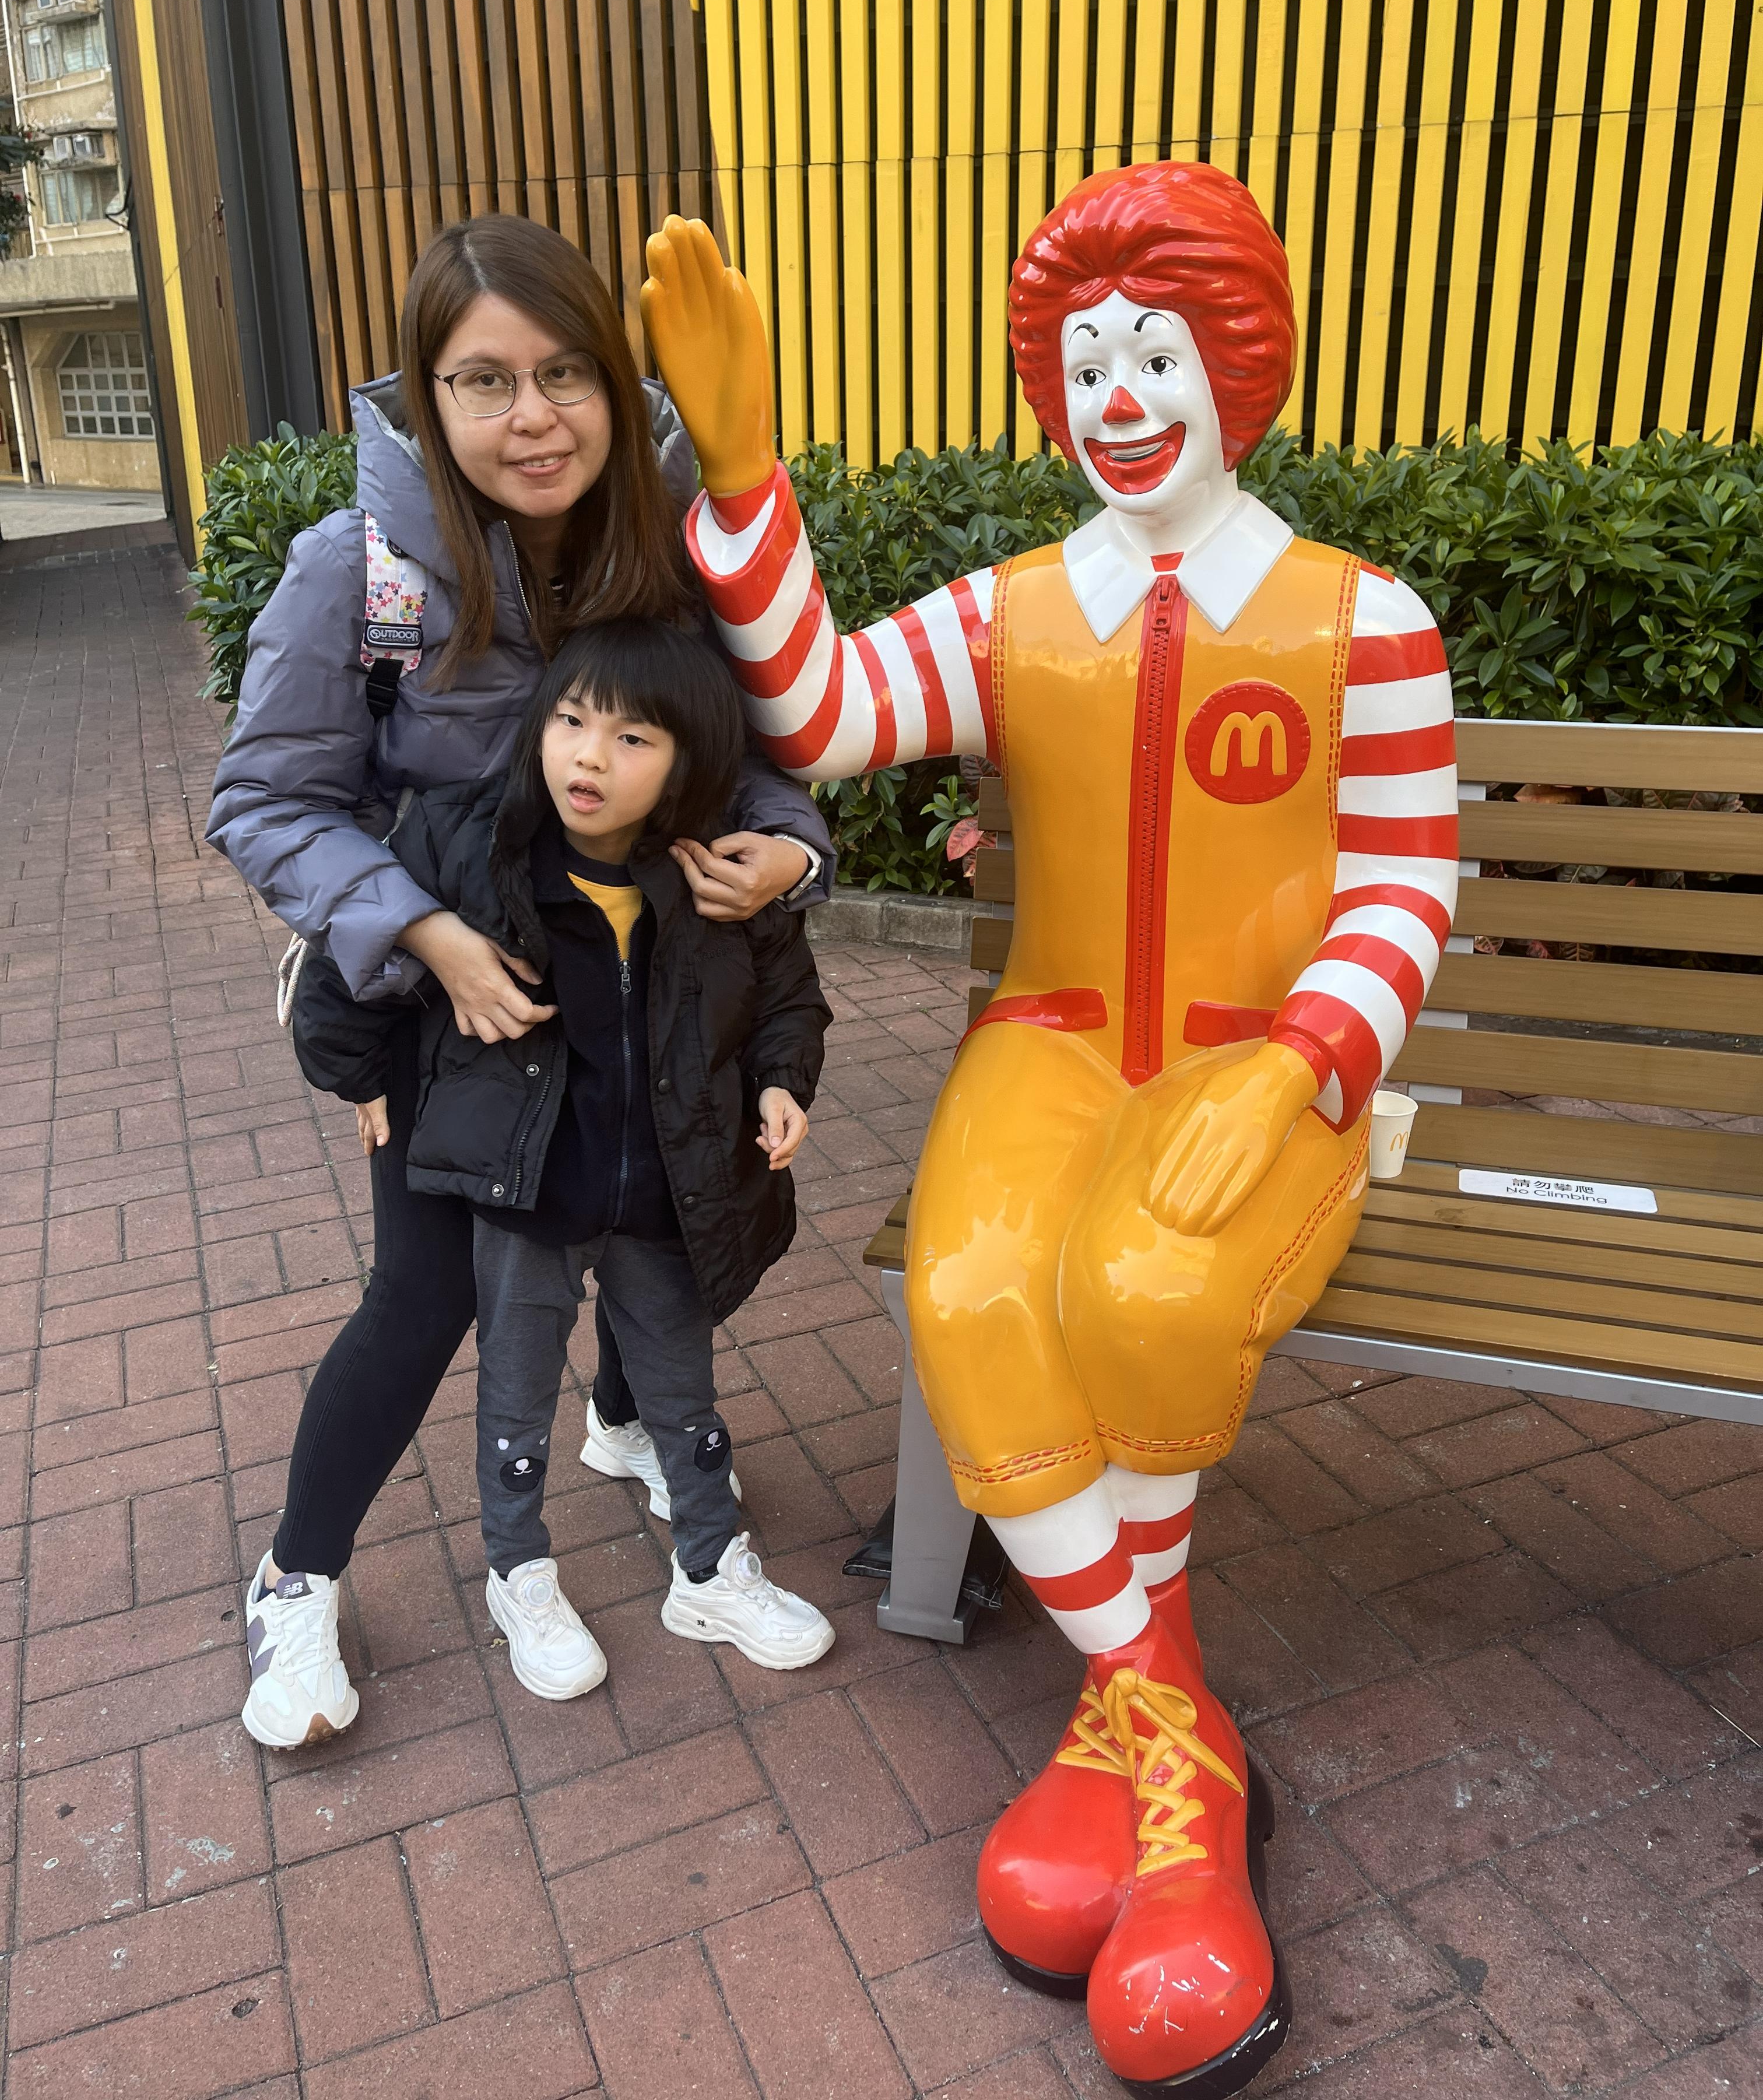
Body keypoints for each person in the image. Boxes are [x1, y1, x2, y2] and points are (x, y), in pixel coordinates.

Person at [640, 171, 1456, 2094]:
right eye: (1085, 364)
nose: (1119, 398)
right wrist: (742, 481)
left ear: (1237, 365)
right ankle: (1175, 1732)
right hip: (1061, 1038)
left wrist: (1300, 1061)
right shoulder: (1021, 611)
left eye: (1154, 354)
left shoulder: (1366, 620)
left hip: (1268, 1061)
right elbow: (825, 707)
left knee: (1146, 1292)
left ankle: (1125, 1742)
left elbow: (1405, 882)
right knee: (974, 1288)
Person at [206, 216, 835, 1747]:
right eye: (483, 381)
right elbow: (268, 801)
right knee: (431, 1292)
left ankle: (622, 1420)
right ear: (428, 398)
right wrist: (420, 939)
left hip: (639, 978)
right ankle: (296, 1578)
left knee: (658, 1217)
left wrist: (787, 851)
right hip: (459, 1010)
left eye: (565, 374)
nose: (532, 416)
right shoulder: (359, 577)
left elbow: (743, 750)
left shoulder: (670, 550)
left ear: (616, 385)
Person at [285, 617, 835, 1713]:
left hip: (662, 1192)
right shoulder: (472, 847)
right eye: (573, 722)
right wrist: (361, 1078)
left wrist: (784, 1082)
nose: (590, 756)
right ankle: (520, 1574)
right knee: (517, 1396)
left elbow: (787, 994)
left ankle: (710, 1572)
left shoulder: (713, 875)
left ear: (687, 761)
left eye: (633, 739)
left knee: (684, 1391)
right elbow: (349, 963)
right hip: (528, 1194)